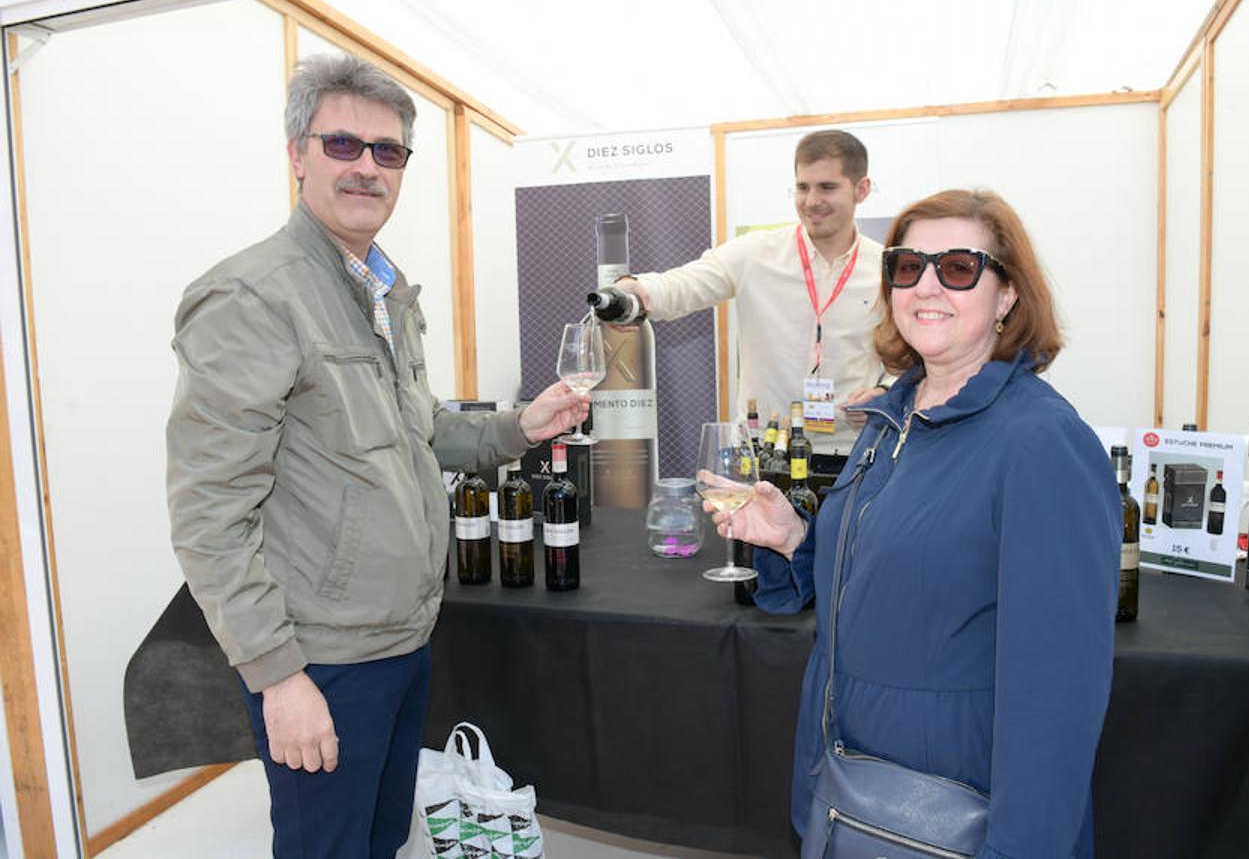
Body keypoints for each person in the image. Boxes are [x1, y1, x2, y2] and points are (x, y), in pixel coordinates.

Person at [165, 54, 587, 859]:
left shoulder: (384, 290)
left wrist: (520, 428)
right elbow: (208, 513)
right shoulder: (253, 297)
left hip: (403, 638)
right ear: (297, 155)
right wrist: (277, 676)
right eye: (343, 145)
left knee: (381, 838)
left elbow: (416, 427)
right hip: (323, 657)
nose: (367, 166)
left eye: (387, 151)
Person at [709, 189, 1120, 856]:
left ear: (1008, 292)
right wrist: (794, 538)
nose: (927, 285)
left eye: (958, 267)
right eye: (907, 266)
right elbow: (896, 579)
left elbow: (1057, 696)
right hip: (853, 789)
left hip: (954, 811)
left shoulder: (1041, 444)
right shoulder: (890, 420)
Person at [614, 129, 889, 455]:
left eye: (827, 187)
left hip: (856, 454)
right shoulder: (756, 253)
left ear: (862, 189)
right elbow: (684, 284)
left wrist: (885, 391)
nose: (812, 201)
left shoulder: (889, 267)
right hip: (764, 453)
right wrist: (635, 290)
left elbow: (909, 357)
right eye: (803, 187)